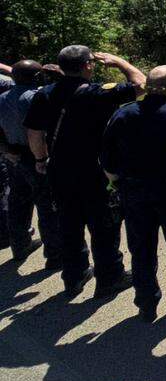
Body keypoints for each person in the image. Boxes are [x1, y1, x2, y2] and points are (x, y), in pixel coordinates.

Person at [24, 46, 144, 298]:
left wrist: (40, 159)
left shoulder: (44, 95)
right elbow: (141, 84)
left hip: (59, 170)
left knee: (69, 223)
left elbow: (34, 132)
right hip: (94, 171)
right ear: (88, 66)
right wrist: (120, 61)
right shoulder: (97, 93)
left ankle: (74, 275)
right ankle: (109, 277)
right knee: (104, 226)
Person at [100, 66, 166, 321]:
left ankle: (146, 302)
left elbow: (107, 157)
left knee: (141, 249)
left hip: (135, 191)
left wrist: (117, 182)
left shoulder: (123, 115)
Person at [1, 60, 62, 266]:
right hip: (37, 156)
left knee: (17, 201)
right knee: (47, 206)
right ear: (38, 77)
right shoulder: (39, 97)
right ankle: (55, 254)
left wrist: (6, 150)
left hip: (13, 155)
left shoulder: (2, 98)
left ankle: (20, 245)